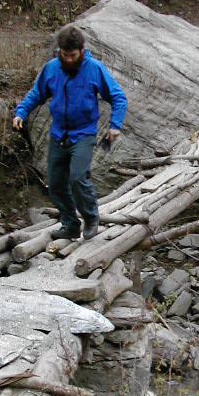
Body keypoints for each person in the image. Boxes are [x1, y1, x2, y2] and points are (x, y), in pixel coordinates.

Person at [13, 25, 128, 240]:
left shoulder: (94, 68)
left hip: (84, 133)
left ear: (81, 51)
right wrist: (21, 112)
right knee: (55, 185)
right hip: (58, 134)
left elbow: (118, 97)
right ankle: (70, 224)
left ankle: (91, 217)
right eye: (64, 55)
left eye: (72, 55)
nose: (68, 59)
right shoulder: (52, 68)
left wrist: (115, 125)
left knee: (77, 178)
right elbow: (37, 93)